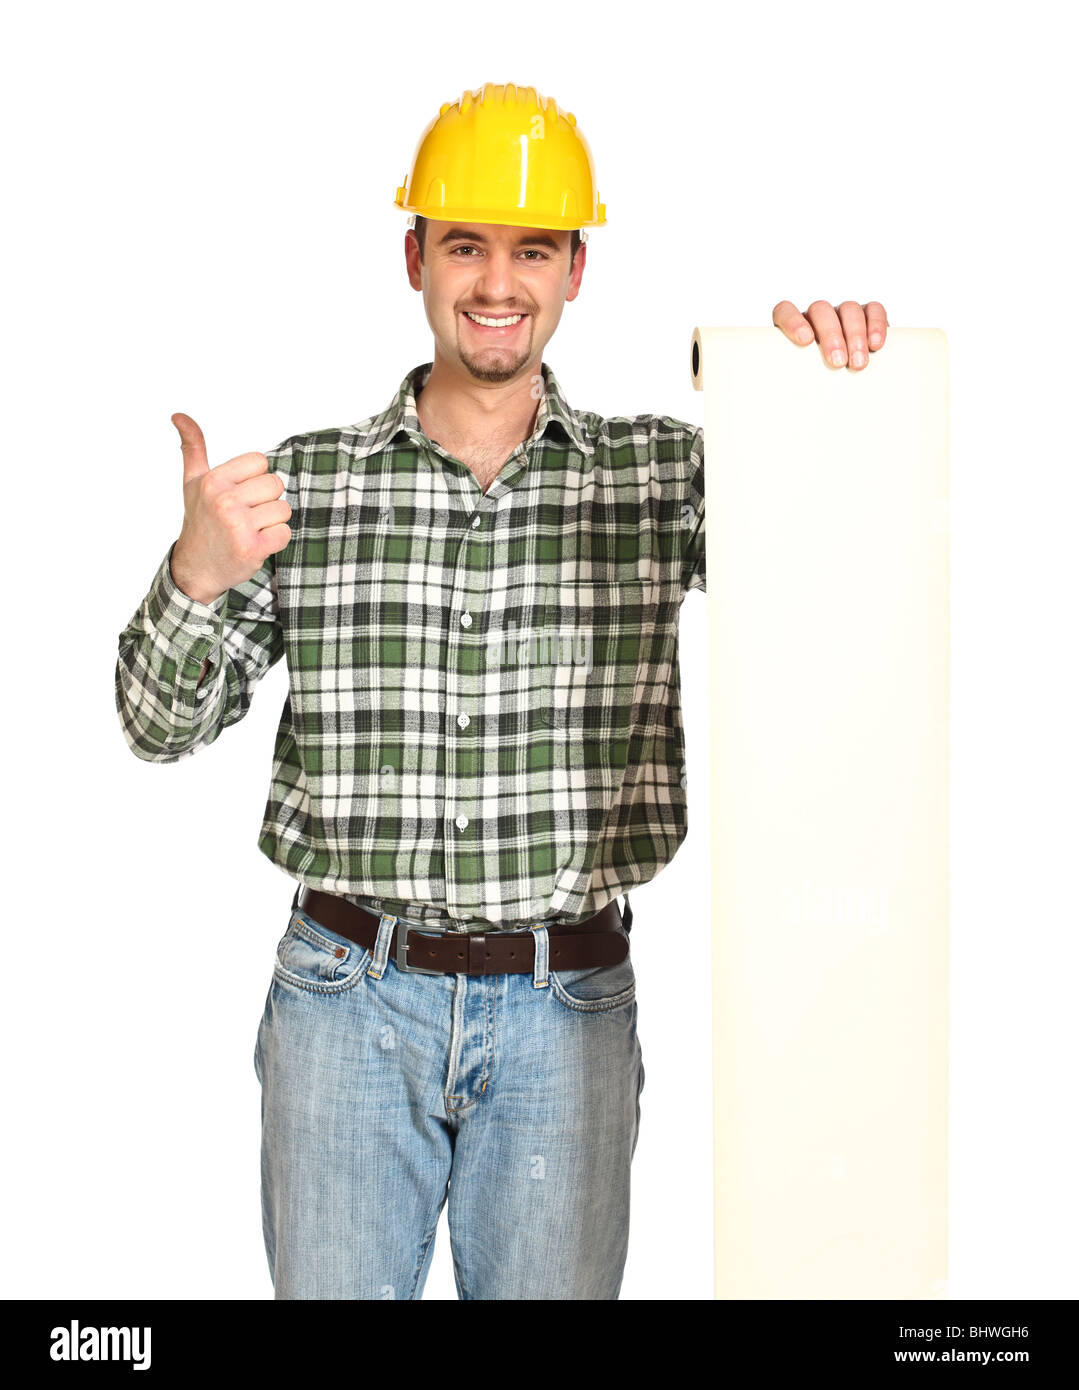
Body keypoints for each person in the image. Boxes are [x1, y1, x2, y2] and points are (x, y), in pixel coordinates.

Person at [114, 81, 889, 1300]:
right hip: (342, 1008)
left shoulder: (663, 475)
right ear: (413, 256)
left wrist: (829, 395)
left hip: (563, 1016)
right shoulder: (306, 486)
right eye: (466, 244)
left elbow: (842, 593)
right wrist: (194, 576)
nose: (495, 283)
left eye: (531, 250)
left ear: (575, 271)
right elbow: (156, 726)